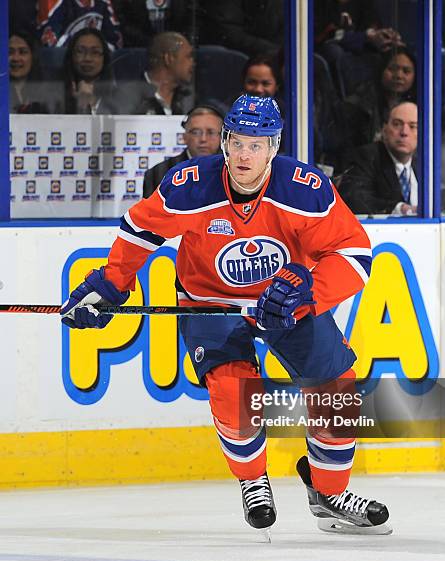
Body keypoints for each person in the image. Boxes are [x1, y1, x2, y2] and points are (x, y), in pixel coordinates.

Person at [60, 94, 391, 536]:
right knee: (234, 392)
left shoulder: (304, 189)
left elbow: (353, 254)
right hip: (208, 300)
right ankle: (254, 479)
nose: (243, 155)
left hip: (285, 302)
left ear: (274, 148)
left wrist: (308, 292)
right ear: (224, 142)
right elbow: (140, 230)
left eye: (256, 145)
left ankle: (329, 492)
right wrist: (113, 282)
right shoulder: (191, 185)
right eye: (236, 142)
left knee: (336, 387)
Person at [339, 101, 418, 216]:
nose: (404, 132)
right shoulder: (366, 156)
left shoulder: (425, 165)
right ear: (384, 130)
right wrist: (400, 209)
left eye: (412, 126)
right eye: (397, 124)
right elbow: (354, 197)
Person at [340, 47, 416, 162]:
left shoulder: (424, 106)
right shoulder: (357, 106)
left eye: (406, 71)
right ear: (381, 71)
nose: (399, 76)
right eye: (393, 69)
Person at [143, 105, 224, 197]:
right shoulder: (157, 174)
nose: (203, 139)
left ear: (221, 137)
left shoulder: (234, 172)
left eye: (211, 132)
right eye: (195, 132)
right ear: (184, 137)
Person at [127, 31, 194, 115]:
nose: (193, 63)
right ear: (169, 59)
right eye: (188, 56)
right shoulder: (129, 98)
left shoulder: (189, 99)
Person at [62, 28, 119, 114]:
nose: (87, 58)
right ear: (71, 56)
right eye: (80, 51)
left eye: (95, 52)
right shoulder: (55, 93)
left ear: (104, 58)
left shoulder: (120, 95)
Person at [36, 0, 122, 50]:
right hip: (64, 68)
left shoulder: (103, 3)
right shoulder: (56, 2)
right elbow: (50, 43)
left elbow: (115, 41)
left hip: (98, 68)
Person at [9, 32, 51, 114]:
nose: (15, 58)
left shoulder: (50, 90)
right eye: (10, 52)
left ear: (33, 57)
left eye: (23, 52)